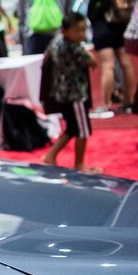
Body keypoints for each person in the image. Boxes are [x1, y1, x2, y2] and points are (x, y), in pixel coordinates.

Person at [40, 13, 99, 172]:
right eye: (77, 30)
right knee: (82, 130)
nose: (82, 34)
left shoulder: (56, 41)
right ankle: (79, 164)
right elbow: (92, 61)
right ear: (66, 31)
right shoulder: (73, 48)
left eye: (84, 30)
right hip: (75, 95)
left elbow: (46, 57)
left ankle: (50, 156)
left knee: (72, 128)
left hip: (61, 92)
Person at [87, 0, 137, 117]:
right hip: (121, 27)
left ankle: (105, 104)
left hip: (103, 29)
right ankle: (130, 101)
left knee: (107, 64)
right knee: (126, 63)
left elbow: (91, 11)